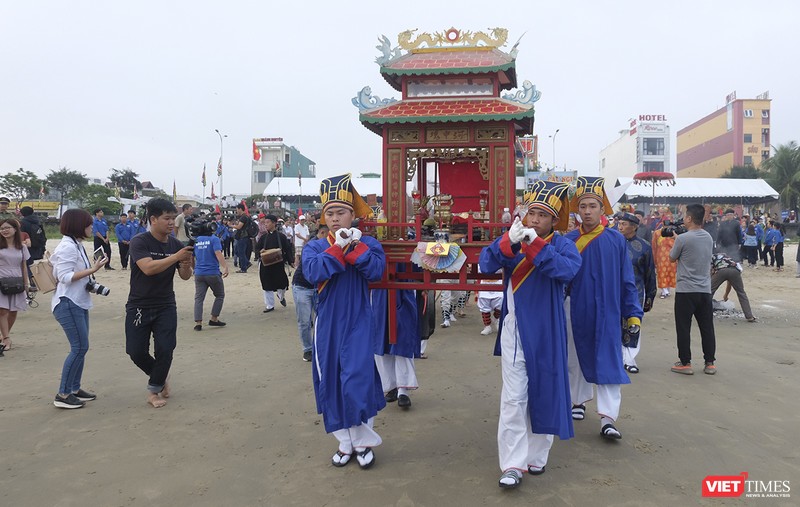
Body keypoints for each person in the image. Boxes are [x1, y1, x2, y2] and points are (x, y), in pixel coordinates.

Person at [480, 180, 581, 489]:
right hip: (516, 329)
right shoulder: (513, 238)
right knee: (513, 398)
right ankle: (512, 463)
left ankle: (536, 456)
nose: (535, 220)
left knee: (545, 390)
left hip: (549, 330)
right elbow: (485, 264)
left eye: (542, 215)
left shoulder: (562, 244)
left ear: (553, 220)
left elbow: (567, 271)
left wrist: (535, 245)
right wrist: (507, 243)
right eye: (532, 213)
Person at [302, 173, 386, 469]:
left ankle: (364, 441)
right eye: (330, 213)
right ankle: (345, 442)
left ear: (353, 215)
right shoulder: (314, 246)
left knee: (358, 378)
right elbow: (313, 273)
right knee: (332, 380)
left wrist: (356, 249)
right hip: (327, 324)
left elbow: (376, 271)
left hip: (360, 319)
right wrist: (339, 249)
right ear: (323, 217)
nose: (335, 218)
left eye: (341, 212)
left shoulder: (370, 244)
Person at [565, 176, 642, 441]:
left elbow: (626, 280)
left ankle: (609, 419)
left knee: (609, 362)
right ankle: (577, 401)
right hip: (574, 308)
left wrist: (632, 312)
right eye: (583, 206)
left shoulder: (616, 240)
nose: (587, 211)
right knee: (574, 357)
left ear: (602, 210)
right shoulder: (568, 240)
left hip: (608, 311)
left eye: (592, 206)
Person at [125, 198, 194, 408]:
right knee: (135, 352)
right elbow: (148, 268)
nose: (171, 222)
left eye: (173, 218)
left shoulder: (175, 244)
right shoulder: (140, 242)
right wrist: (176, 258)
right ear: (153, 219)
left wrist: (185, 264)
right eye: (167, 218)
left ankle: (154, 390)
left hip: (165, 304)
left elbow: (185, 276)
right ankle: (161, 376)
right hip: (139, 304)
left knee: (166, 348)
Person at [50, 209, 109, 408]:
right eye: (88, 224)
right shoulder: (68, 246)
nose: (91, 227)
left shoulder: (76, 244)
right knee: (79, 347)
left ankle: (74, 389)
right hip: (68, 302)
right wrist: (92, 270)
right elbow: (64, 276)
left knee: (81, 347)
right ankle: (63, 394)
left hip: (77, 301)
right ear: (78, 225)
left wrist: (90, 273)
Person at [669, 203, 716, 375]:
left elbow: (672, 258)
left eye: (684, 215)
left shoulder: (683, 239)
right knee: (707, 327)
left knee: (683, 327)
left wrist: (676, 240)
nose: (682, 218)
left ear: (689, 218)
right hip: (704, 290)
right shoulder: (708, 237)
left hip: (685, 290)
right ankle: (710, 363)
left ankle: (685, 362)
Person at [616, 212, 657, 374]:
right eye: (619, 223)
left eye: (624, 224)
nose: (620, 226)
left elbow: (649, 273)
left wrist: (651, 296)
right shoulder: (612, 242)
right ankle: (617, 357)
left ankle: (630, 358)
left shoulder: (644, 247)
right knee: (615, 323)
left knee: (633, 325)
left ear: (634, 227)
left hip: (636, 292)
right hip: (614, 290)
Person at [0, 218, 31, 352]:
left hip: (17, 280)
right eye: (2, 228)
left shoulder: (22, 247)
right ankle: (6, 338)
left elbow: (24, 266)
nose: (4, 230)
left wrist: (26, 284)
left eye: (7, 228)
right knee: (2, 310)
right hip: (1, 280)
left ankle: (4, 335)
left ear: (15, 229)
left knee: (13, 311)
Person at [192, 220, 228, 331]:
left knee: (199, 298)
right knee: (220, 295)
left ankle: (198, 323)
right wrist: (225, 267)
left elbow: (190, 256)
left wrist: (194, 269)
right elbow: (218, 253)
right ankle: (214, 318)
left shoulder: (196, 240)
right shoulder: (214, 239)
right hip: (212, 272)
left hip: (199, 273)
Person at [256, 214, 292, 313]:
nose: (266, 225)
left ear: (274, 223)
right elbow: (257, 248)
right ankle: (269, 305)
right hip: (266, 264)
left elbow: (288, 249)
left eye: (268, 222)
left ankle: (281, 296)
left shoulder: (281, 237)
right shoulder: (263, 237)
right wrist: (260, 251)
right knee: (266, 284)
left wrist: (291, 261)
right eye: (265, 223)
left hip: (278, 263)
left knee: (283, 283)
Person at [711, 252, 756, 322]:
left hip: (721, 271)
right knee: (741, 293)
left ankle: (703, 313)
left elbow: (711, 272)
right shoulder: (729, 258)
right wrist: (725, 295)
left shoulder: (712, 257)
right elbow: (730, 283)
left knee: (710, 291)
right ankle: (749, 316)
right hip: (735, 271)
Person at [291, 253, 316, 362]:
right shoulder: (311, 247)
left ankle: (321, 347)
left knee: (324, 320)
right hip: (302, 287)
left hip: (319, 288)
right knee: (304, 321)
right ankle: (308, 349)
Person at [651, 209, 676, 299]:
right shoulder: (657, 233)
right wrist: (653, 258)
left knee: (670, 273)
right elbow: (654, 246)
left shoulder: (674, 233)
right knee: (662, 273)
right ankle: (664, 291)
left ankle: (667, 290)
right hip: (661, 257)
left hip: (672, 256)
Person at [19, 206, 47, 286]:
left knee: (26, 264)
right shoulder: (37, 221)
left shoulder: (23, 222)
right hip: (37, 245)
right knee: (33, 264)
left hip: (27, 246)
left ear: (22, 213)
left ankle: (32, 282)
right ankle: (37, 281)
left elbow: (22, 234)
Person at [232, 204, 252, 273]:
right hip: (245, 236)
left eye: (237, 209)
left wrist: (231, 225)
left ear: (240, 209)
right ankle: (246, 263)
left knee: (241, 252)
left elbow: (239, 227)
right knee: (238, 251)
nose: (236, 211)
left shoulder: (243, 217)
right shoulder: (246, 217)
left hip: (242, 236)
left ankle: (244, 268)